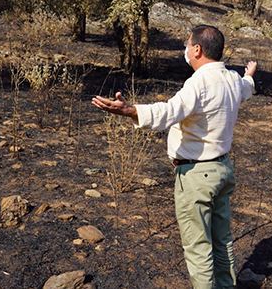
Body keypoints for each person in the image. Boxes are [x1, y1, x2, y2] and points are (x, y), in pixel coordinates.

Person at [92, 24, 257, 289]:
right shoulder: (232, 79)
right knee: (222, 241)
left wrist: (130, 111)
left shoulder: (200, 82)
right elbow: (246, 87)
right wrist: (249, 75)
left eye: (186, 45)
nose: (185, 49)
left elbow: (170, 112)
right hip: (223, 170)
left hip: (197, 177)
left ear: (197, 49)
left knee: (198, 247)